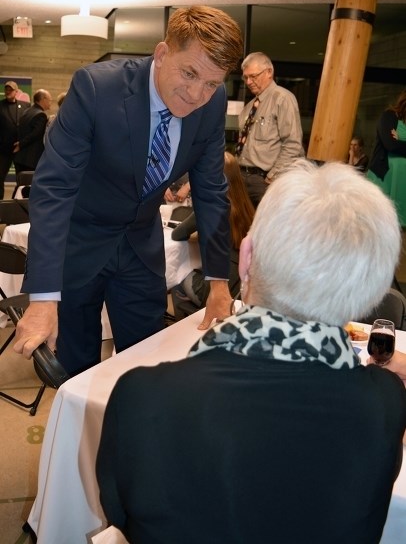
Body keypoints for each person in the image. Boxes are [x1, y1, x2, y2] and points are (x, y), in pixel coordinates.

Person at [96, 160, 406, 544]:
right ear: (373, 291)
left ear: (245, 259)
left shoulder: (144, 396)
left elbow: (120, 513)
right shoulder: (386, 403)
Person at [12, 5, 244, 376]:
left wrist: (219, 282)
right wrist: (42, 297)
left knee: (145, 368)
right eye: (190, 73)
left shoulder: (211, 103)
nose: (198, 93)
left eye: (211, 83)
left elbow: (211, 191)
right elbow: (54, 188)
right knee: (74, 369)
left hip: (140, 249)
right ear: (163, 53)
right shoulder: (96, 88)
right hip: (80, 245)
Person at [171, 151, 255, 319]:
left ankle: (188, 326)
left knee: (176, 277)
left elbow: (177, 234)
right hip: (241, 287)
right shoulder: (248, 208)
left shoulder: (212, 209)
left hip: (216, 288)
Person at [236, 51, 304, 207]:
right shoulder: (249, 107)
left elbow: (293, 144)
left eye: (253, 76)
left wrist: (271, 178)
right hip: (242, 179)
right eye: (245, 77)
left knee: (266, 229)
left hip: (265, 181)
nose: (248, 82)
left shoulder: (283, 98)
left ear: (269, 72)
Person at [368, 90, 406, 226]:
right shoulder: (389, 116)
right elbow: (391, 145)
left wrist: (400, 141)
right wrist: (399, 143)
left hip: (404, 183)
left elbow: (397, 145)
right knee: (382, 224)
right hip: (386, 177)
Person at [0, 81, 30, 199]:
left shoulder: (25, 106)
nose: (8, 92)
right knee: (0, 177)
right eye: (6, 89)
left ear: (16, 92)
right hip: (3, 150)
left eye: (10, 90)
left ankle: (16, 201)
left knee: (21, 178)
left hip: (20, 149)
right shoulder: (0, 105)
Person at [13, 89, 52, 173]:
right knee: (29, 184)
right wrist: (21, 144)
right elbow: (35, 134)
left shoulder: (27, 111)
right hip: (30, 160)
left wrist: (20, 144)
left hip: (19, 158)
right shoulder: (41, 115)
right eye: (49, 100)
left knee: (21, 184)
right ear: (43, 99)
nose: (50, 103)